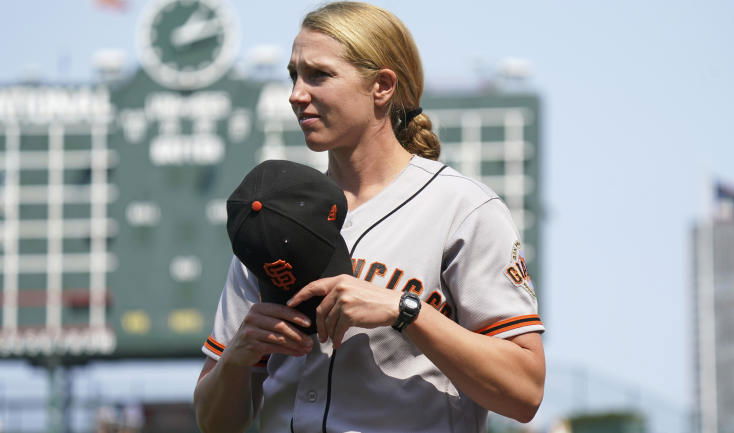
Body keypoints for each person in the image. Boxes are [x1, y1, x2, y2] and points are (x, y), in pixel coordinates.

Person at [193, 2, 545, 433]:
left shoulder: (461, 207)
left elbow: (525, 392)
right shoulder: (273, 210)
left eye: (318, 75)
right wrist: (237, 357)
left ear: (381, 86)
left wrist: (407, 310)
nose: (296, 93)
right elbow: (214, 423)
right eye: (294, 75)